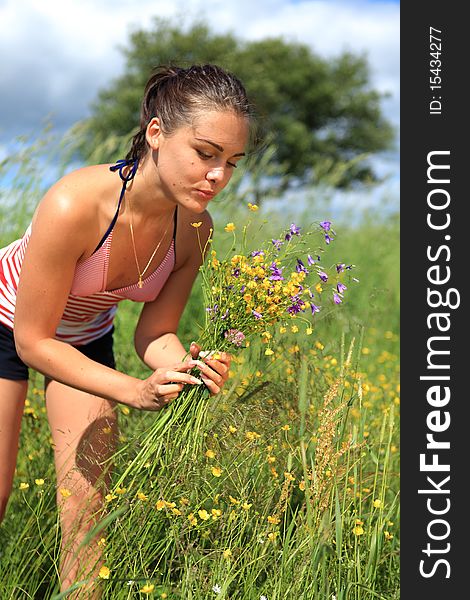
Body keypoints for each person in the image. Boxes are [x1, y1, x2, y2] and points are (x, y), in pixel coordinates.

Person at [0, 63, 252, 596]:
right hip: (9, 325)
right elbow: (32, 340)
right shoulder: (76, 203)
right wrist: (134, 391)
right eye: (205, 154)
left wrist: (184, 366)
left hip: (84, 337)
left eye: (232, 162)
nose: (219, 176)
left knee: (88, 509)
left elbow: (153, 333)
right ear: (156, 135)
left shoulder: (196, 229)